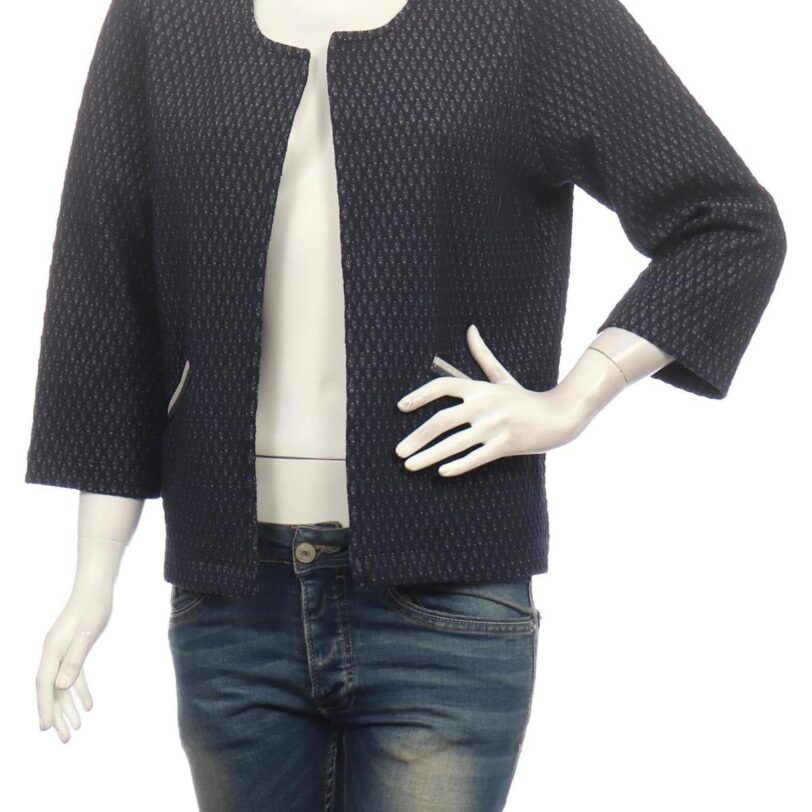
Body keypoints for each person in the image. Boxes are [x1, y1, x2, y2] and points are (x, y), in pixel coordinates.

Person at [28, 0, 786, 809]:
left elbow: (727, 222)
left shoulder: (525, 14)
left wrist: (573, 400)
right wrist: (93, 573)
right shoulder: (162, 16)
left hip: (449, 591)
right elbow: (105, 280)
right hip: (232, 597)